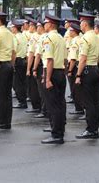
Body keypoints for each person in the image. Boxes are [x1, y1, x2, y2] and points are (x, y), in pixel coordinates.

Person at [41, 14, 66, 144]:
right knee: (60, 104)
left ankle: (56, 134)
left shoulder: (49, 39)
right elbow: (65, 59)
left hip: (53, 71)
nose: (44, 25)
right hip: (60, 71)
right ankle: (60, 131)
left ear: (50, 25)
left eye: (45, 23)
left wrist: (47, 78)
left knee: (53, 105)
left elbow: (49, 60)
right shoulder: (61, 38)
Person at [75, 12, 99, 139]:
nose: (80, 24)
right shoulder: (96, 37)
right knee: (95, 102)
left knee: (88, 102)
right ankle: (95, 128)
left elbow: (83, 59)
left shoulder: (85, 38)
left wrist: (78, 74)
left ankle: (90, 129)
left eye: (81, 22)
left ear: (85, 24)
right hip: (95, 69)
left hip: (87, 70)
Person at [0, 11, 16, 129]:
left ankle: (2, 121)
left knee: (0, 95)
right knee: (7, 95)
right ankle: (7, 121)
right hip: (8, 65)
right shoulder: (9, 33)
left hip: (1, 65)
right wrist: (11, 64)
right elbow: (13, 52)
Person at [25, 17, 42, 114]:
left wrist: (29, 69)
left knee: (33, 87)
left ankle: (36, 106)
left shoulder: (34, 37)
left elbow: (31, 54)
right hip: (40, 63)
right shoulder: (44, 36)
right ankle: (41, 107)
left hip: (35, 63)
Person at [67, 23, 83, 115]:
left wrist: (69, 70)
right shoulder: (79, 39)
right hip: (78, 65)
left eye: (70, 30)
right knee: (78, 89)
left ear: (74, 32)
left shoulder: (74, 41)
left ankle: (79, 108)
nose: (69, 32)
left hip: (74, 66)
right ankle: (79, 107)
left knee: (75, 89)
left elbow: (73, 58)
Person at [12, 19, 28, 110]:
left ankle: (21, 101)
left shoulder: (15, 38)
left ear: (15, 28)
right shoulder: (23, 36)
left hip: (17, 61)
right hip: (23, 60)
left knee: (17, 83)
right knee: (23, 82)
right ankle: (23, 100)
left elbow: (14, 52)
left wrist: (12, 64)